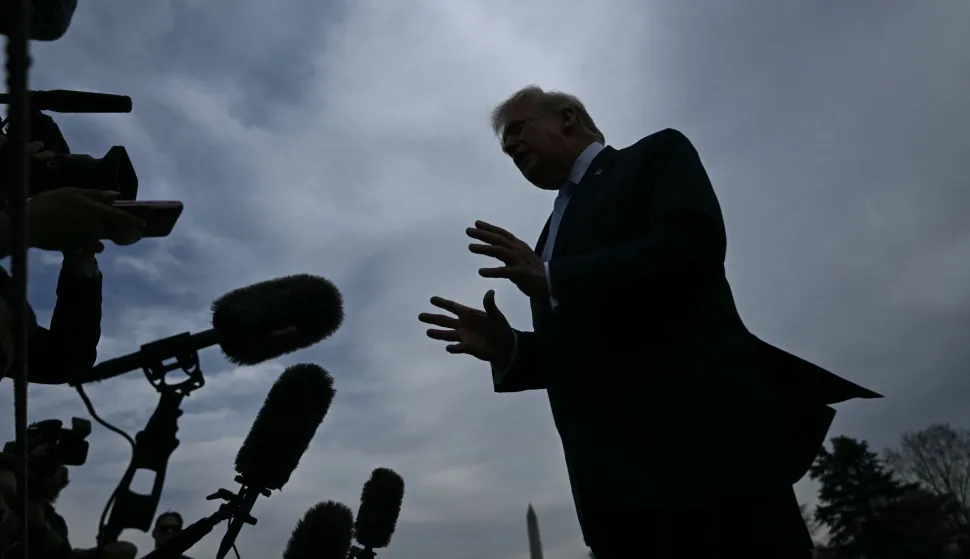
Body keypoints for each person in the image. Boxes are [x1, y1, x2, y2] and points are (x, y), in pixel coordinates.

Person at [418, 85, 881, 558]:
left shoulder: (654, 156)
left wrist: (555, 277)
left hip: (707, 470)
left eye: (517, 130)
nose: (511, 147)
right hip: (615, 505)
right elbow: (588, 352)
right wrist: (512, 349)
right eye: (504, 146)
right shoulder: (546, 239)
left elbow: (690, 249)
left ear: (568, 119)